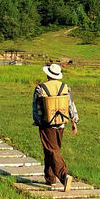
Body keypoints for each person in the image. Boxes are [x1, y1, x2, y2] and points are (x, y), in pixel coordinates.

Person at [32, 62, 78, 191]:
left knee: (52, 150)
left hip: (46, 124)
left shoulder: (40, 88)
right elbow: (70, 105)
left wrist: (37, 121)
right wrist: (74, 121)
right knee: (52, 149)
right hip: (61, 123)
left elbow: (36, 107)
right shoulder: (65, 87)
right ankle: (50, 178)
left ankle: (64, 176)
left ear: (47, 75)